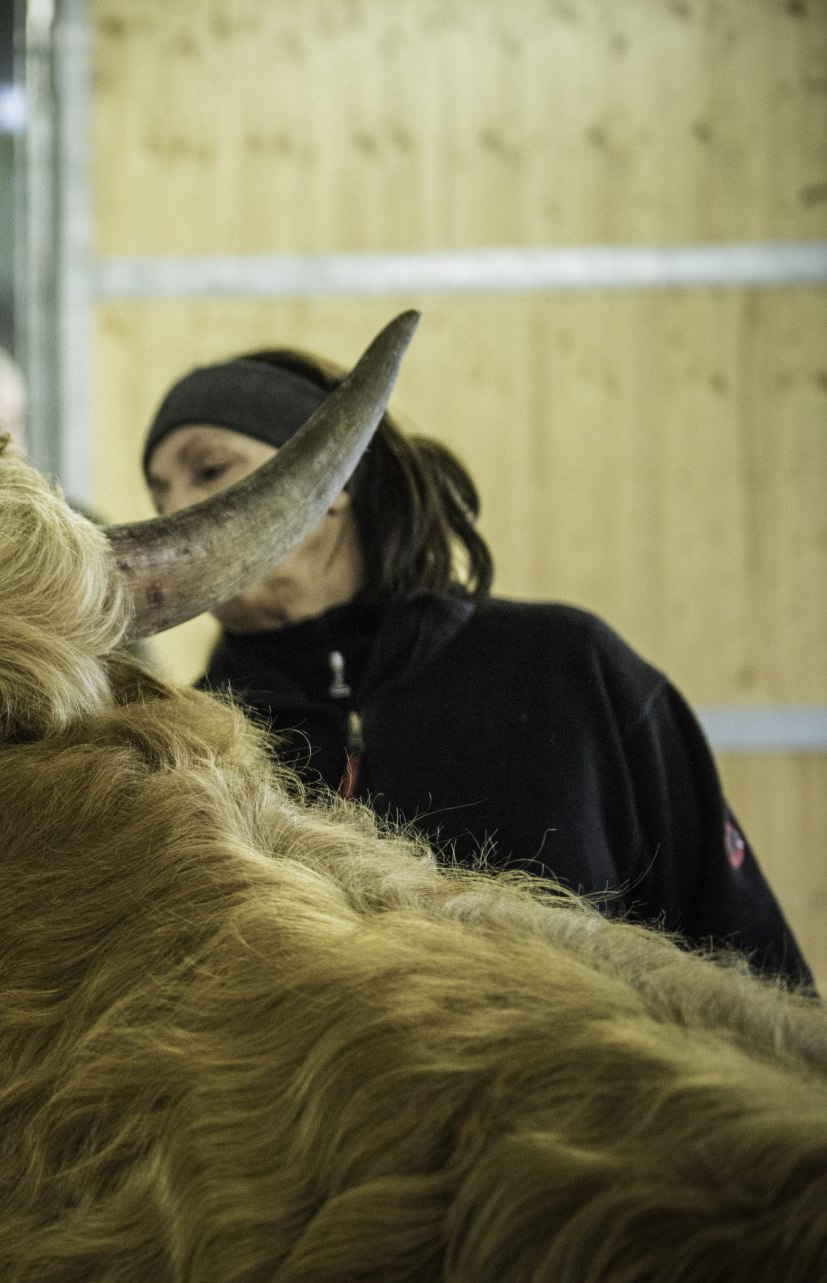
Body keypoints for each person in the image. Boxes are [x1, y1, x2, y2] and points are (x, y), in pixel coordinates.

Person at [141, 347, 811, 985]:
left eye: (209, 471)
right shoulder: (191, 751)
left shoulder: (563, 671)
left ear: (332, 478)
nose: (173, 514)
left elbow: (745, 958)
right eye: (158, 492)